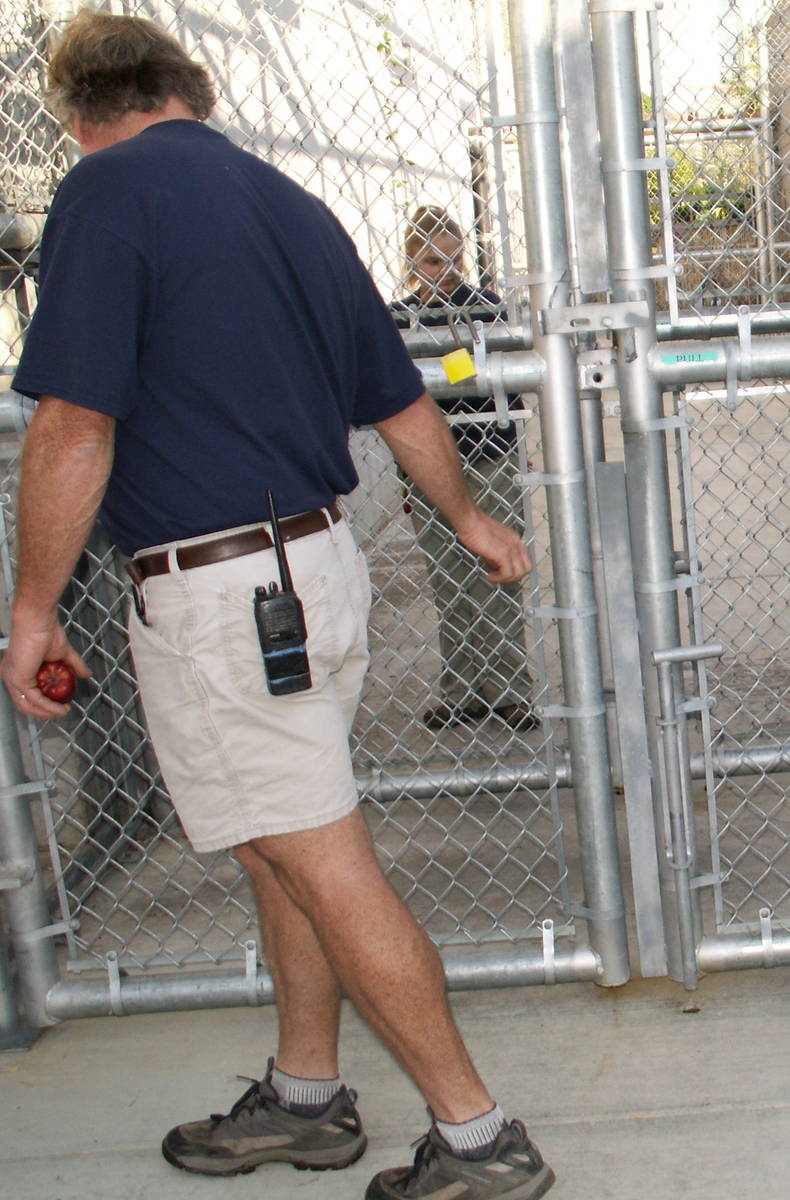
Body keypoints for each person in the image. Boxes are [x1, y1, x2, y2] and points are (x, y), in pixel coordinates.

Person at [0, 14, 555, 1200]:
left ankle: (476, 1135)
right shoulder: (290, 204)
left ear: (78, 114)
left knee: (322, 859)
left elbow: (72, 424)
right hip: (317, 568)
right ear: (189, 88)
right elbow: (402, 402)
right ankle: (307, 1098)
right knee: (282, 849)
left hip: (223, 594)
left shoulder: (104, 197)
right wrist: (466, 520)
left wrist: (33, 611)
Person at [392, 206, 538, 732]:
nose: (446, 272)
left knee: (498, 576)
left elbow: (497, 374)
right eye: (433, 261)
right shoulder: (397, 317)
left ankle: (510, 690)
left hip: (488, 456)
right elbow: (399, 389)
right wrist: (455, 367)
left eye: (454, 260)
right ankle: (461, 689)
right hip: (428, 464)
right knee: (447, 582)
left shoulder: (485, 308)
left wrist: (438, 372)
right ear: (412, 259)